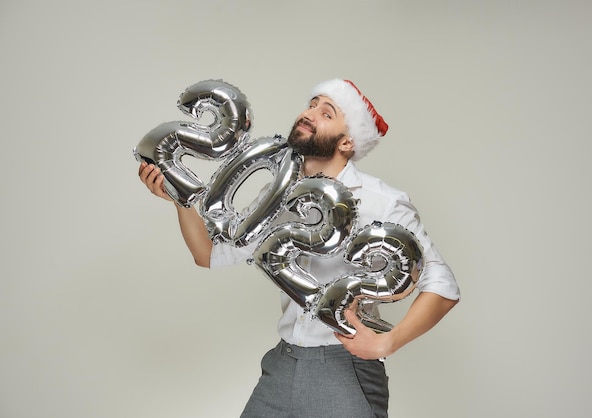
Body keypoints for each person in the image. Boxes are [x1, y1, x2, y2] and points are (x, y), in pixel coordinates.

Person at [138, 79, 460, 417]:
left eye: (326, 112)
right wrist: (180, 200)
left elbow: (443, 284)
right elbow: (208, 254)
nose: (309, 114)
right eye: (311, 104)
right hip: (283, 363)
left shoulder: (382, 201)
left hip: (344, 369)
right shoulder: (279, 193)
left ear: (348, 141)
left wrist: (386, 342)